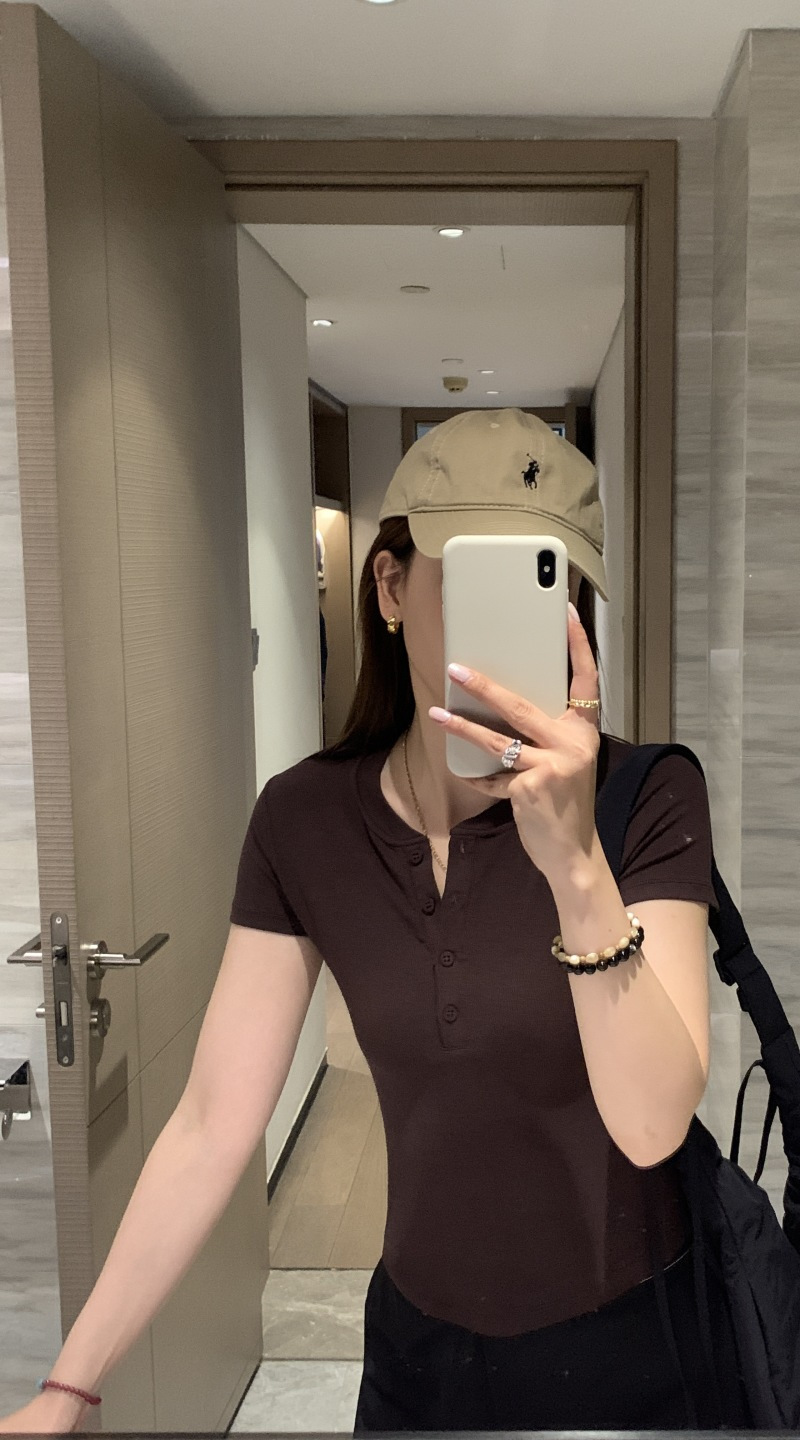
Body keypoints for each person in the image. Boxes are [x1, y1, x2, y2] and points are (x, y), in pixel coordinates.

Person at [1, 408, 738, 1435]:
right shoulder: (304, 819)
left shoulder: (647, 795)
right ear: (389, 587)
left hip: (638, 1357)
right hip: (416, 1359)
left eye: (550, 585)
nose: (514, 627)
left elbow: (654, 1124)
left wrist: (576, 866)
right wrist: (68, 1387)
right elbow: (213, 1122)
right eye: (473, 581)